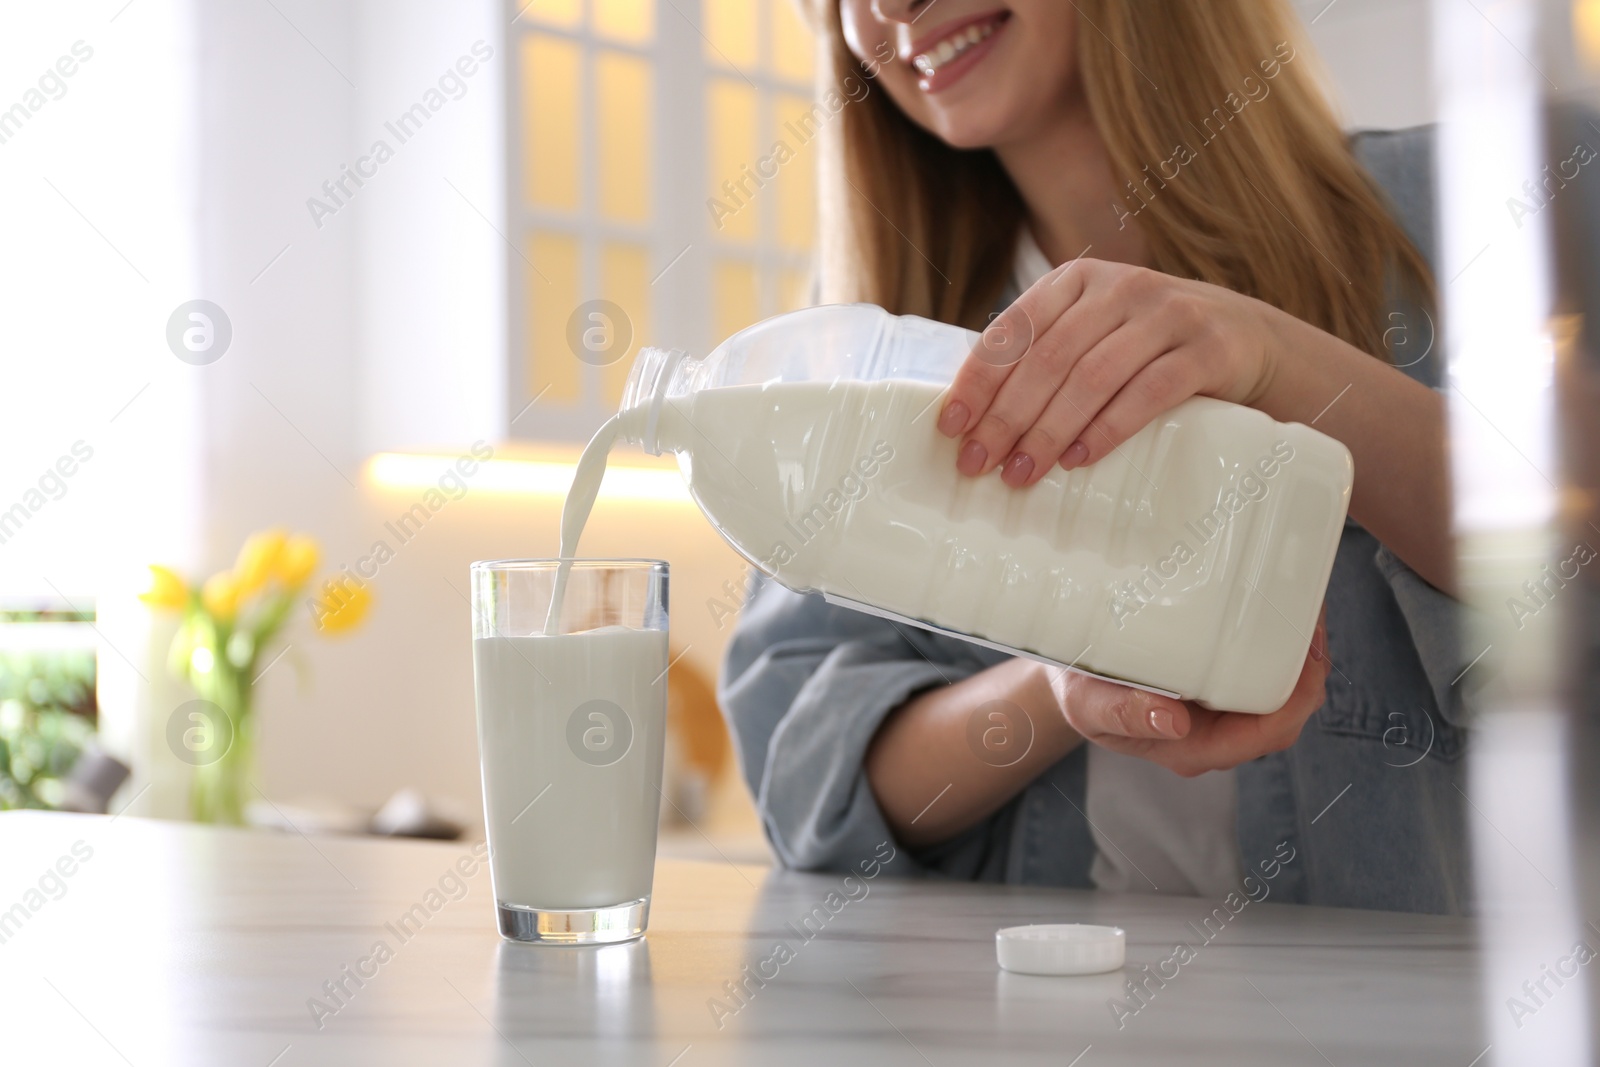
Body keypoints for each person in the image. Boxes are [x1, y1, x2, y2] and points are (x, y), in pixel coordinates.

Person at [721, 0, 1475, 914]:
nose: (886, 8)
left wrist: (1276, 359)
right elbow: (805, 782)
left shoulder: (1452, 212)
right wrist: (1071, 671)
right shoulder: (876, 337)